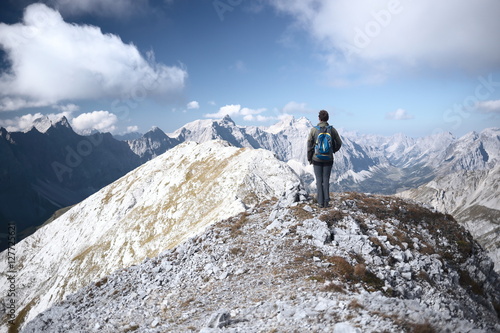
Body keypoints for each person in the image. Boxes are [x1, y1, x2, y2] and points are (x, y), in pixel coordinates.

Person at [307, 110, 342, 208]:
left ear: (319, 118)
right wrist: (332, 150)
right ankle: (327, 202)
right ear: (328, 119)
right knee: (326, 179)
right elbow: (339, 143)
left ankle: (320, 203)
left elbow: (309, 145)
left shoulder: (314, 130)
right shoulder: (332, 130)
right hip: (328, 159)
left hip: (316, 158)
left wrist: (310, 158)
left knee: (319, 180)